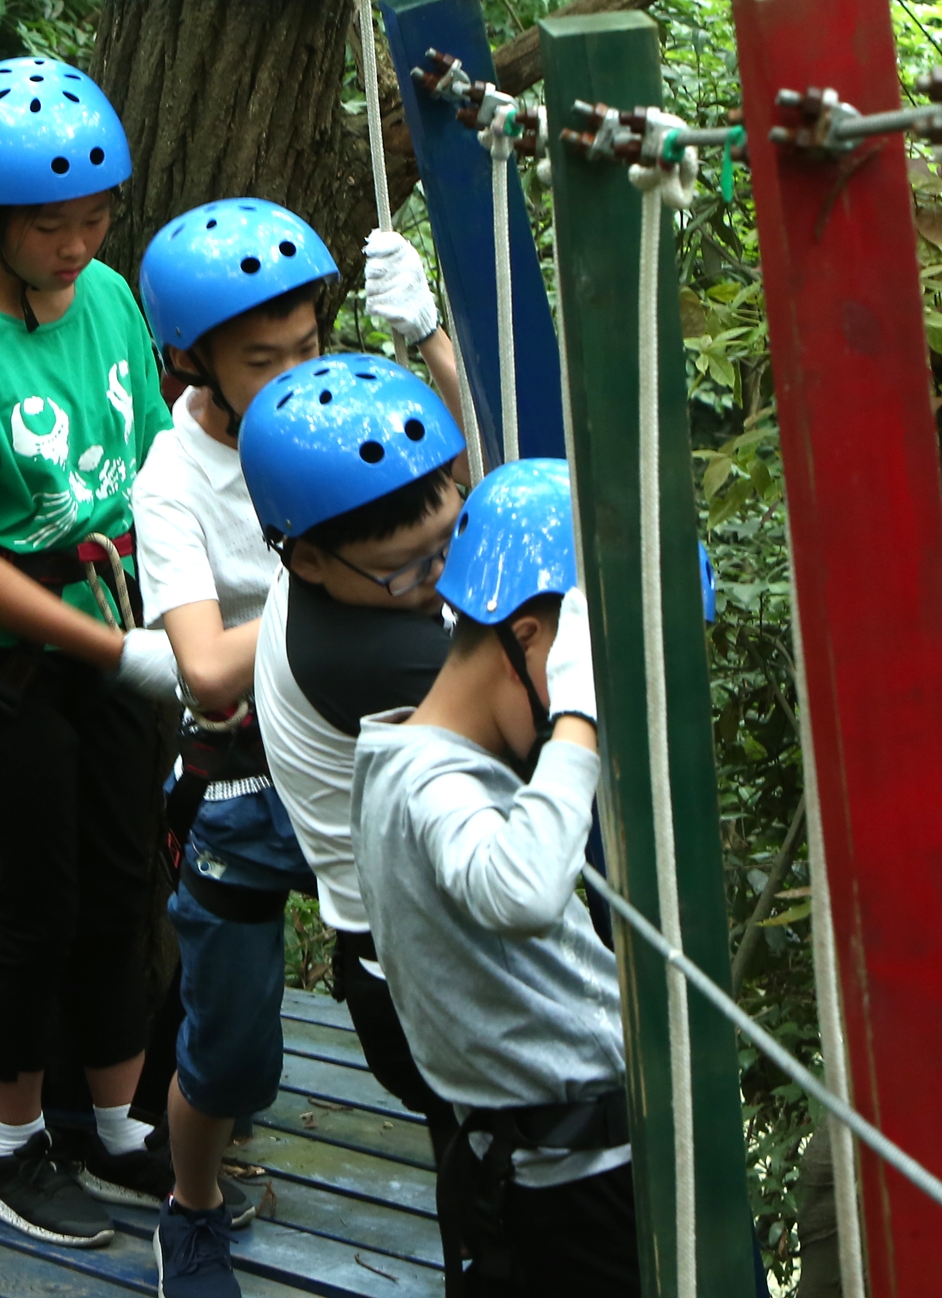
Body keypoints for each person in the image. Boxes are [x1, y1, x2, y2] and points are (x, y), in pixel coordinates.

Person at [130, 201, 459, 1293]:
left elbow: (449, 498)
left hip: (349, 747)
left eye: (306, 347)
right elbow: (208, 671)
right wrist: (322, 578)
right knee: (232, 1044)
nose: (288, 373)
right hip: (239, 777)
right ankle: (192, 1204)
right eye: (258, 355)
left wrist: (431, 345)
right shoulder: (172, 479)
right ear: (194, 360)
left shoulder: (331, 418)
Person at [0, 57, 173, 1249]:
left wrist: (165, 621)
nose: (77, 242)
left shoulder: (107, 297)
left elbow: (151, 458)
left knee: (125, 882)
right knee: (27, 901)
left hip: (109, 627)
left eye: (95, 216)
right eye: (51, 224)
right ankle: (9, 1145)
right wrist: (117, 648)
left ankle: (115, 1124)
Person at [354, 462, 639, 1292]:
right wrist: (576, 720)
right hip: (578, 1193)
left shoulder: (421, 763)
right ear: (527, 636)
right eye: (594, 671)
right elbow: (518, 890)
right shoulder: (429, 783)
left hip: (571, 1171)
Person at [238, 352, 473, 1257]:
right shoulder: (370, 657)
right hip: (422, 977)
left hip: (400, 959)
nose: (436, 576)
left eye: (447, 544)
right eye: (405, 571)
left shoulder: (328, 581)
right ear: (307, 556)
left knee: (485, 1185)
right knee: (508, 1205)